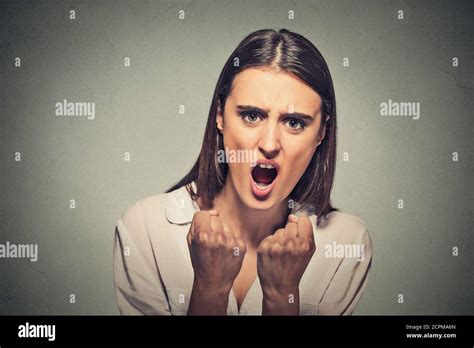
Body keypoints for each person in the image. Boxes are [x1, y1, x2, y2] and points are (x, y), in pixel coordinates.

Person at [113, 28, 373, 315]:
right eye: (252, 116)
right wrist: (209, 290)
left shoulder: (346, 241)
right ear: (220, 117)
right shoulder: (145, 229)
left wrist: (281, 295)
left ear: (322, 132)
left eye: (295, 123)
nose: (270, 144)